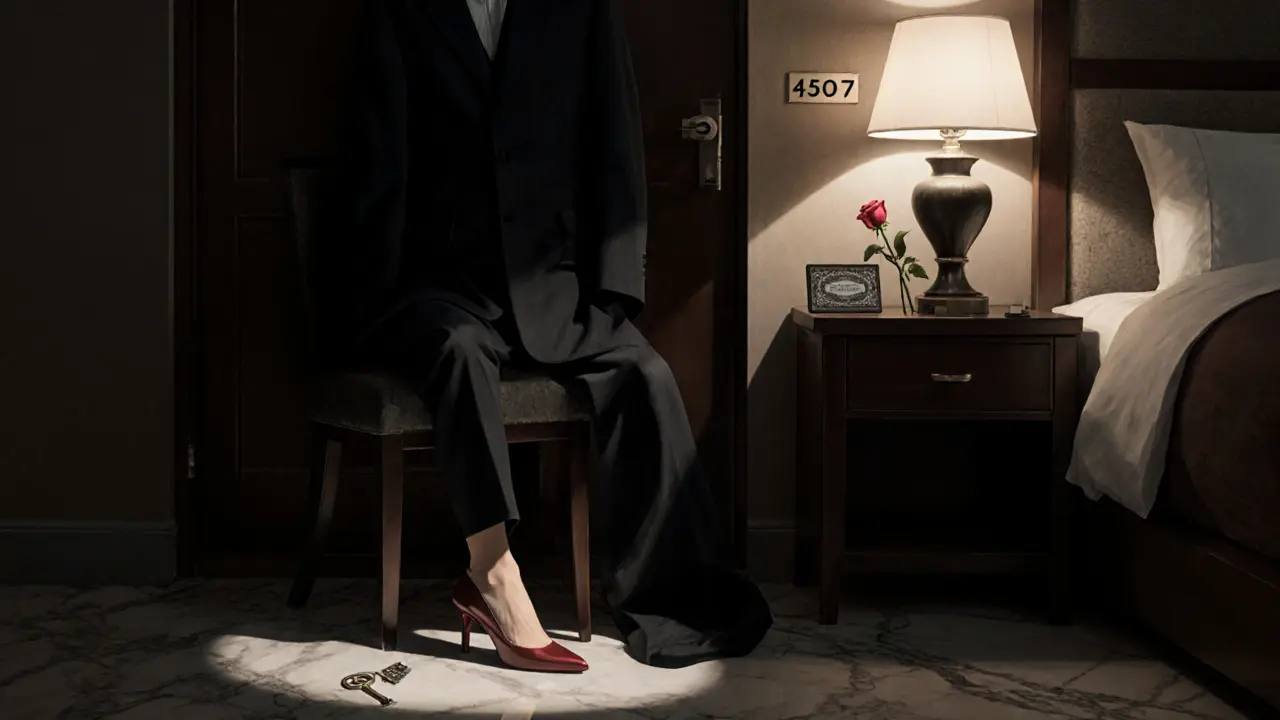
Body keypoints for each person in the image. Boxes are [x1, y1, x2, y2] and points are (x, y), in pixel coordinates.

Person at [320, 0, 772, 672]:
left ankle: (670, 590)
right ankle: (493, 574)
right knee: (458, 350)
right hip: (438, 280)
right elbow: (378, 151)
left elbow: (614, 137)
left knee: (646, 376)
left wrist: (616, 286)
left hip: (552, 280)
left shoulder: (583, 9)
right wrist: (373, 295)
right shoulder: (397, 10)